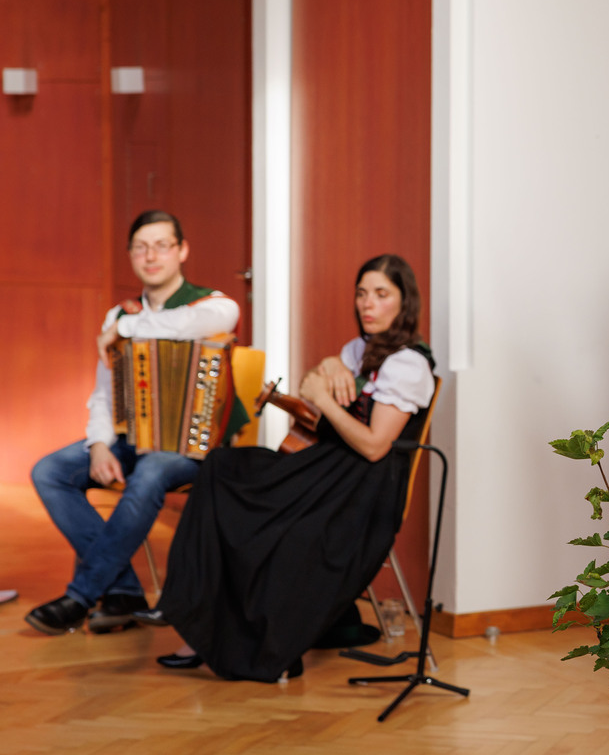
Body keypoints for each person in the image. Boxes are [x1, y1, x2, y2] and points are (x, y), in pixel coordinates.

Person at [149, 253, 434, 682]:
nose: (367, 304)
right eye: (361, 294)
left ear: (404, 302)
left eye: (381, 294)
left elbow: (375, 446)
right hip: (330, 466)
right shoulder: (361, 349)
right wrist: (329, 366)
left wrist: (322, 398)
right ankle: (191, 613)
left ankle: (228, 636)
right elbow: (316, 386)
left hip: (362, 487)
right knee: (222, 465)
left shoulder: (408, 364)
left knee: (258, 513)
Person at [27, 211, 242, 636]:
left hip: (190, 446)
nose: (151, 256)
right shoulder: (119, 314)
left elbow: (197, 323)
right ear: (130, 255)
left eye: (162, 245)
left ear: (182, 251)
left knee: (151, 471)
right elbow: (105, 393)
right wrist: (99, 445)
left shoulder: (212, 304)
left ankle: (82, 595)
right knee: (49, 471)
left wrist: (126, 327)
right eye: (141, 248)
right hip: (133, 438)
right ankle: (123, 590)